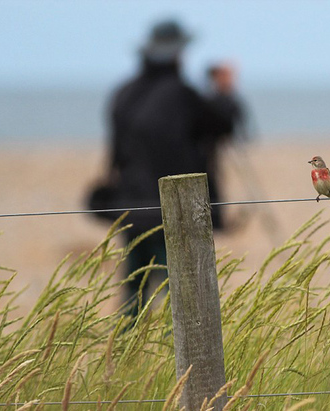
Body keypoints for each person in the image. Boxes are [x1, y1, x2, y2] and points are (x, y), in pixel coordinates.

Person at [104, 19, 242, 318]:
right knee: (183, 297)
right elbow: (222, 124)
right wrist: (225, 91)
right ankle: (174, 362)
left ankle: (128, 357)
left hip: (131, 207)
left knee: (133, 295)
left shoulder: (123, 94)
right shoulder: (181, 94)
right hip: (175, 210)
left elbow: (114, 155)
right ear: (178, 54)